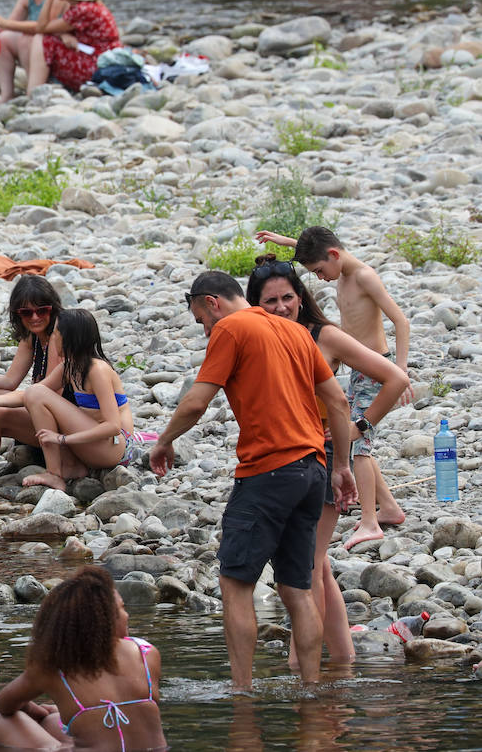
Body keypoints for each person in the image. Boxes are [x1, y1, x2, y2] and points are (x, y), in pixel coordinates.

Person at [149, 271, 357, 690]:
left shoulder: (229, 328)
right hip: (313, 469)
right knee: (297, 587)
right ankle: (312, 691)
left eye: (200, 320)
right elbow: (336, 399)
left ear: (212, 303)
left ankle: (241, 694)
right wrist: (341, 466)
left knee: (235, 582)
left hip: (267, 471)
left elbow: (195, 403)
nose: (205, 330)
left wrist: (163, 441)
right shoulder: (296, 331)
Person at [245, 254, 409, 669]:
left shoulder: (324, 336)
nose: (282, 307)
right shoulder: (255, 337)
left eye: (288, 297)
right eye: (270, 302)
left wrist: (359, 429)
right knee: (318, 563)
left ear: (301, 297)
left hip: (324, 456)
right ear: (254, 306)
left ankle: (302, 665)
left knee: (307, 565)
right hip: (285, 457)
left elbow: (395, 379)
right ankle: (343, 658)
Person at [255, 225, 410, 548]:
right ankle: (390, 508)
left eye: (320, 271)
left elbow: (401, 321)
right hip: (356, 370)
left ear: (334, 257)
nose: (320, 278)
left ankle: (369, 521)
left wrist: (400, 368)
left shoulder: (364, 276)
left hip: (375, 369)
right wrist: (283, 241)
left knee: (357, 444)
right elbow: (318, 247)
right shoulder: (340, 269)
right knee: (352, 436)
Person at [0, 566, 165, 752]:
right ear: (103, 620)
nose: (127, 616)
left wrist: (38, 711)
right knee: (54, 719)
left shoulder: (54, 667)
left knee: (4, 722)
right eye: (122, 609)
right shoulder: (147, 654)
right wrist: (56, 712)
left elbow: (4, 705)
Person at [18, 308, 142, 492]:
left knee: (37, 393)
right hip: (97, 445)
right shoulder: (69, 367)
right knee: (33, 395)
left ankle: (54, 474)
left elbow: (113, 426)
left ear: (69, 338)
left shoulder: (97, 370)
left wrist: (63, 439)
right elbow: (30, 394)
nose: (53, 337)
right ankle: (71, 468)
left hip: (117, 448)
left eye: (56, 332)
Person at [0, 273, 64, 486]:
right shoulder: (34, 336)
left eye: (42, 310)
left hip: (63, 423)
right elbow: (10, 380)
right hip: (45, 410)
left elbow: (48, 396)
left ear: (53, 308)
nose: (34, 317)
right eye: (26, 312)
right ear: (17, 314)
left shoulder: (59, 335)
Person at [24, 0, 121, 93]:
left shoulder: (82, 10)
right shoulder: (92, 5)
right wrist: (63, 34)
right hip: (104, 62)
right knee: (47, 38)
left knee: (40, 39)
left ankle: (33, 90)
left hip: (96, 68)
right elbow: (57, 28)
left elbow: (41, 27)